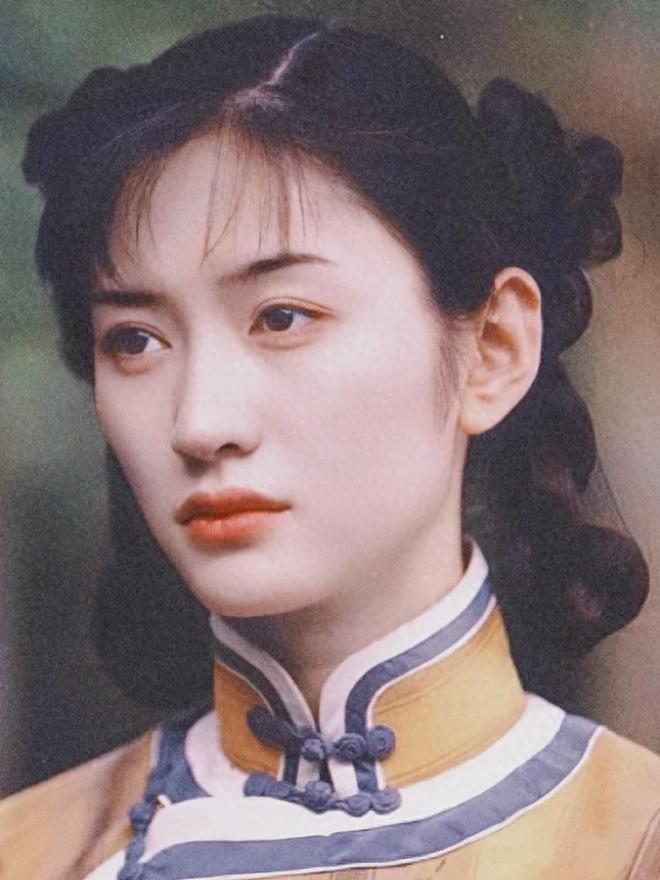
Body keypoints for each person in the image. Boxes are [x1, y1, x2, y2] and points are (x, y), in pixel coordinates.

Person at [1, 13, 659, 880]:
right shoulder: (29, 851)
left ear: (494, 347)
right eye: (136, 340)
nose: (199, 422)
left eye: (282, 317)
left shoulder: (634, 839)